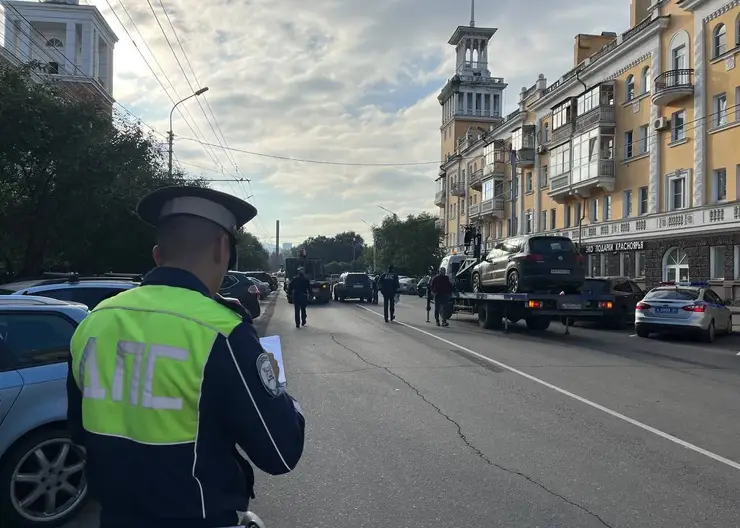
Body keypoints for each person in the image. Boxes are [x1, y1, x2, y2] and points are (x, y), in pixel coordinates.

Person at [66, 186, 305, 528]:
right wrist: (279, 386)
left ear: (156, 254)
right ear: (223, 249)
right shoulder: (222, 331)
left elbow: (79, 429)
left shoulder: (94, 321)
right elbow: (281, 452)